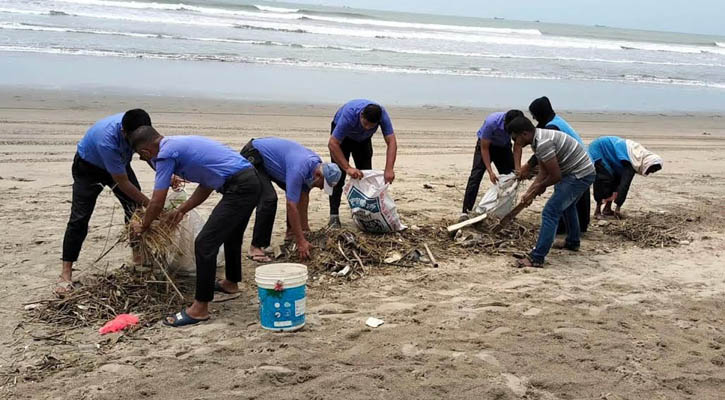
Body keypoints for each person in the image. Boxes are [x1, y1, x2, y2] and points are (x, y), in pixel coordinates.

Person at [128, 126, 261, 327]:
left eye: (143, 157)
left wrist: (144, 225)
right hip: (250, 181)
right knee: (231, 234)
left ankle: (200, 309)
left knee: (205, 243)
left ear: (146, 152)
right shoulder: (178, 144)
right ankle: (231, 283)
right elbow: (207, 184)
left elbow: (157, 200)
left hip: (241, 187)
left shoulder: (164, 154)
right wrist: (181, 209)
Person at [59, 109, 152, 292]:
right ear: (124, 133)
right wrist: (152, 205)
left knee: (134, 210)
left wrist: (165, 172)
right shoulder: (107, 140)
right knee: (79, 218)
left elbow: (148, 151)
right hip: (89, 167)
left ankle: (137, 258)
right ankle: (65, 273)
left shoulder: (139, 124)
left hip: (119, 164)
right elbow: (123, 183)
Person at [506, 116, 595, 268]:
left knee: (550, 212)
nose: (515, 143)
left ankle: (537, 257)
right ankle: (573, 242)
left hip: (580, 174)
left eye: (516, 138)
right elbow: (543, 172)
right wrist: (531, 191)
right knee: (567, 206)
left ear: (525, 134)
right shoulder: (538, 140)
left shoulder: (543, 144)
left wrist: (539, 187)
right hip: (576, 171)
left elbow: (555, 176)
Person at [241, 137, 341, 261]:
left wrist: (305, 231)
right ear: (318, 175)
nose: (321, 189)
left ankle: (290, 233)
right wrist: (301, 242)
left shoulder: (315, 166)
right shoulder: (299, 169)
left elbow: (303, 198)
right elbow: (291, 205)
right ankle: (256, 247)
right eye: (322, 185)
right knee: (269, 199)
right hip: (254, 155)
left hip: (274, 163)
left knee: (298, 194)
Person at [516, 96, 591, 233]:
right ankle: (578, 229)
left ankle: (570, 228)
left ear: (540, 114)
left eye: (534, 115)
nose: (534, 118)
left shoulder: (552, 127)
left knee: (564, 199)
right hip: (580, 161)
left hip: (576, 163)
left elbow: (545, 151)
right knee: (574, 201)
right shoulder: (553, 120)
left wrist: (528, 167)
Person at [328, 99, 397, 228]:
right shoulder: (350, 115)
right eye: (365, 123)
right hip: (343, 139)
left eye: (371, 126)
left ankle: (364, 214)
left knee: (365, 177)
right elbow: (332, 144)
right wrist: (347, 168)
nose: (367, 127)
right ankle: (334, 216)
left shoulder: (382, 115)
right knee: (337, 176)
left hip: (363, 140)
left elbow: (391, 142)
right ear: (361, 116)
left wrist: (389, 169)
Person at [460, 109, 524, 220]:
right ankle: (465, 212)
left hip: (503, 147)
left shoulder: (519, 125)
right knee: (475, 176)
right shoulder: (492, 122)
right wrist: (490, 172)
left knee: (511, 177)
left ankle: (504, 211)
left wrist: (517, 168)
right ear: (505, 123)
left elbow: (517, 146)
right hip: (486, 146)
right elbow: (484, 148)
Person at [588, 136, 663, 218]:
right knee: (604, 180)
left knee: (616, 180)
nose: (649, 173)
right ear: (647, 163)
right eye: (651, 170)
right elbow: (625, 185)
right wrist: (618, 208)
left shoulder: (638, 158)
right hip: (599, 150)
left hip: (613, 155)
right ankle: (597, 211)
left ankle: (607, 209)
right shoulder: (632, 162)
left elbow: (620, 183)